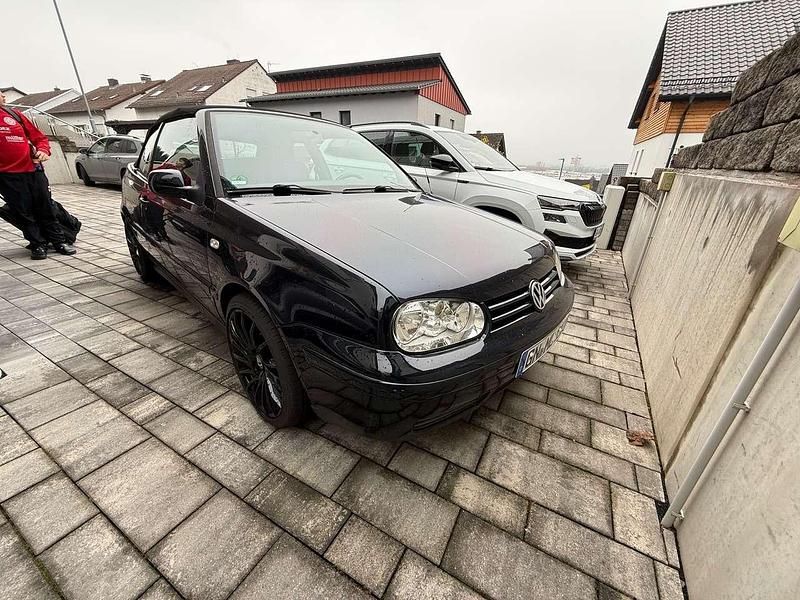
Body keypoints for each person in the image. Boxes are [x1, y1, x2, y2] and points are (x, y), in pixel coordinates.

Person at [0, 90, 75, 259]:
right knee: (23, 211)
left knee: (46, 207)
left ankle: (59, 241)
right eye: (0, 93)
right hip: (7, 176)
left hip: (34, 170)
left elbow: (39, 138)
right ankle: (37, 244)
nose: (4, 96)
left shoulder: (15, 115)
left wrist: (43, 150)